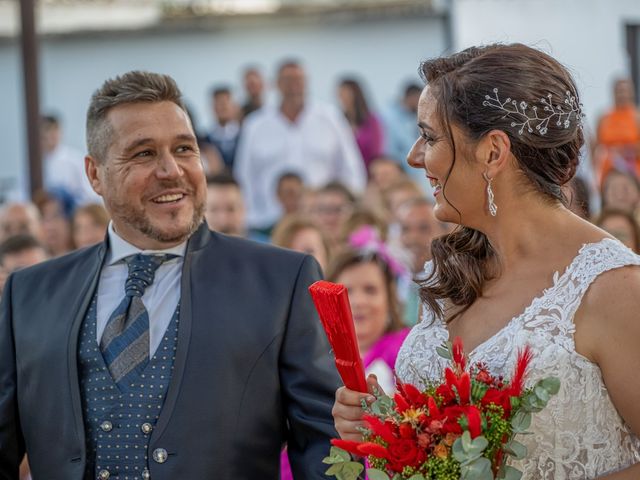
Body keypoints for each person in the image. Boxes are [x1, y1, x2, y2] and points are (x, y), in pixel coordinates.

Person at [0, 70, 340, 480]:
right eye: (143, 153)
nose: (172, 170)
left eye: (184, 148)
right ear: (94, 174)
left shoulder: (282, 281)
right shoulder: (29, 293)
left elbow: (325, 447)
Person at [332, 44, 640, 479]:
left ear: (493, 152)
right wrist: (386, 425)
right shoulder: (453, 271)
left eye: (431, 136)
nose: (414, 156)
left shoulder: (615, 287)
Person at [234, 60, 366, 234]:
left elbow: (351, 169)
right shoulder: (255, 124)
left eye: (299, 79)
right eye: (288, 80)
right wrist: (251, 218)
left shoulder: (330, 118)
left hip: (323, 222)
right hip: (268, 224)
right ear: (276, 84)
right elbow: (245, 176)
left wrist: (345, 212)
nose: (294, 86)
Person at [41, 114, 101, 206]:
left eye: (54, 130)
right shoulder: (36, 163)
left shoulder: (74, 160)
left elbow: (90, 193)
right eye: (47, 131)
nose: (50, 136)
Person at [593, 78, 640, 183]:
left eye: (625, 91)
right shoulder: (604, 118)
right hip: (608, 171)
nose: (621, 94)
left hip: (633, 171)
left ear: (631, 93)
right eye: (619, 91)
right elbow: (596, 146)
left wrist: (626, 151)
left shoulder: (637, 116)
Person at [337, 77, 385, 171]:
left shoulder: (371, 121)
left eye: (346, 93)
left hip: (367, 172)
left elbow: (377, 152)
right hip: (345, 174)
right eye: (340, 94)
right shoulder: (338, 120)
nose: (342, 98)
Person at [205, 86, 240, 171]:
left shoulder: (246, 135)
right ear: (213, 108)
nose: (222, 107)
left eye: (226, 102)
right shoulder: (205, 141)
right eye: (218, 103)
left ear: (235, 106)